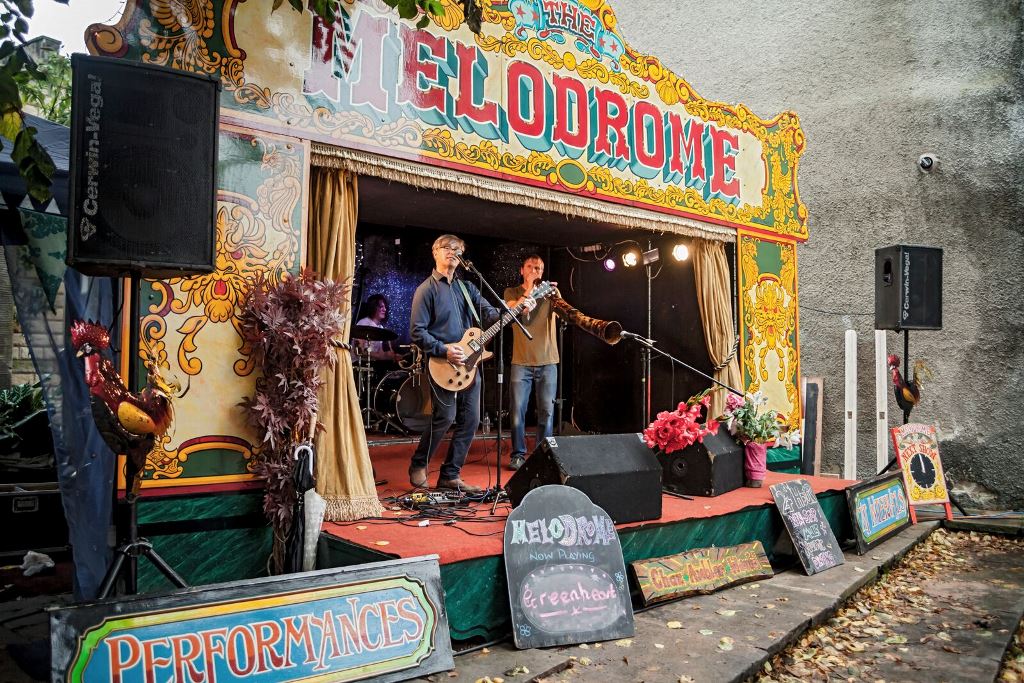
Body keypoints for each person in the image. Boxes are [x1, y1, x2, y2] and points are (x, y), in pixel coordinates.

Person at [408, 234, 535, 493]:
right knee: (445, 416)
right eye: (447, 248)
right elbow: (417, 332)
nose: (453, 252)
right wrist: (443, 349)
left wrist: (517, 309)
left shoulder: (468, 288)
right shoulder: (426, 290)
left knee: (472, 419)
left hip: (471, 364)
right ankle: (419, 463)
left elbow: (490, 315)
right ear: (435, 252)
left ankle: (450, 475)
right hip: (443, 363)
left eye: (458, 249)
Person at [503, 254, 560, 470]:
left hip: (548, 361)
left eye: (538, 268)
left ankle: (541, 455)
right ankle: (518, 454)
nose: (534, 271)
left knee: (546, 411)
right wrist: (530, 290)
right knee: (518, 410)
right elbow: (513, 313)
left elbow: (564, 311)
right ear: (522, 270)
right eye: (530, 267)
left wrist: (552, 293)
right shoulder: (512, 292)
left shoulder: (550, 293)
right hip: (521, 362)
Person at [353, 294, 398, 362]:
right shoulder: (364, 323)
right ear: (373, 307)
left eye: (385, 307)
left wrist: (394, 356)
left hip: (372, 365)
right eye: (381, 307)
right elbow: (359, 351)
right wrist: (380, 356)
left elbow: (381, 353)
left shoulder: (380, 328)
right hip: (358, 364)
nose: (385, 309)